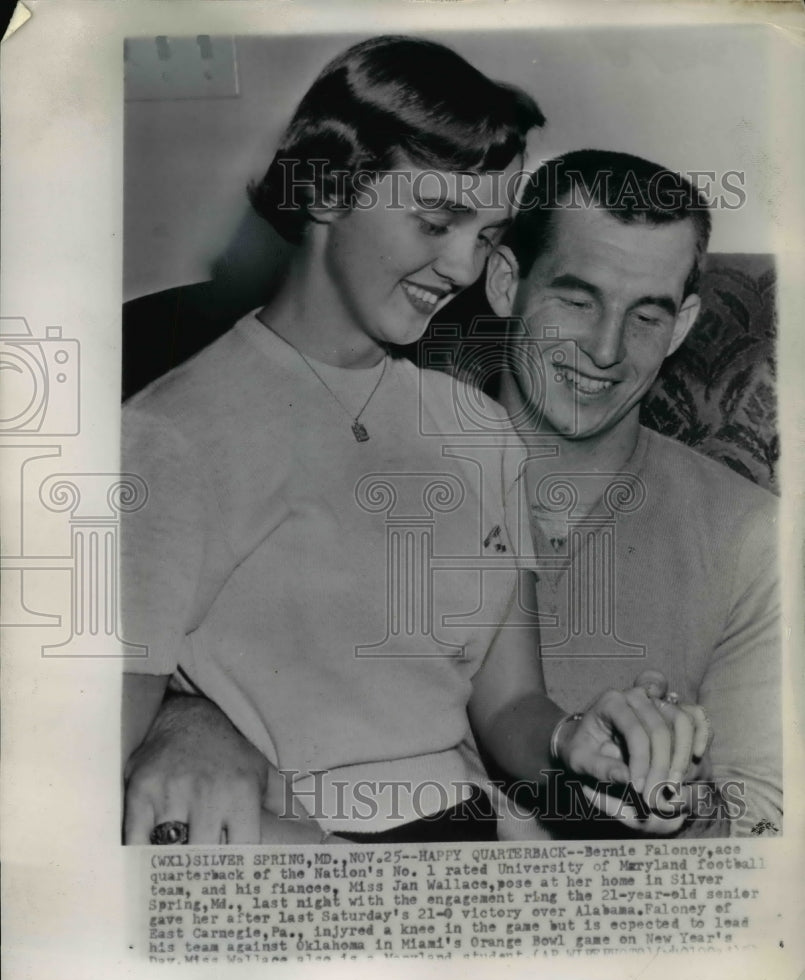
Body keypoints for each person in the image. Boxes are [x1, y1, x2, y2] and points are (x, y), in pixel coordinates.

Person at [122, 41, 708, 846]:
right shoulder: (166, 437)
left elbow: (508, 711)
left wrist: (581, 749)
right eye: (436, 222)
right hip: (310, 862)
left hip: (475, 840)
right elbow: (90, 765)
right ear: (326, 190)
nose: (463, 265)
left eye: (487, 233)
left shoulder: (476, 427)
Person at [479, 149, 781, 836]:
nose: (606, 349)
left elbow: (762, 825)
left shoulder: (752, 538)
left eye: (646, 316)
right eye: (577, 299)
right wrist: (194, 723)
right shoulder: (384, 473)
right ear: (504, 281)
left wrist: (662, 799)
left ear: (680, 325)